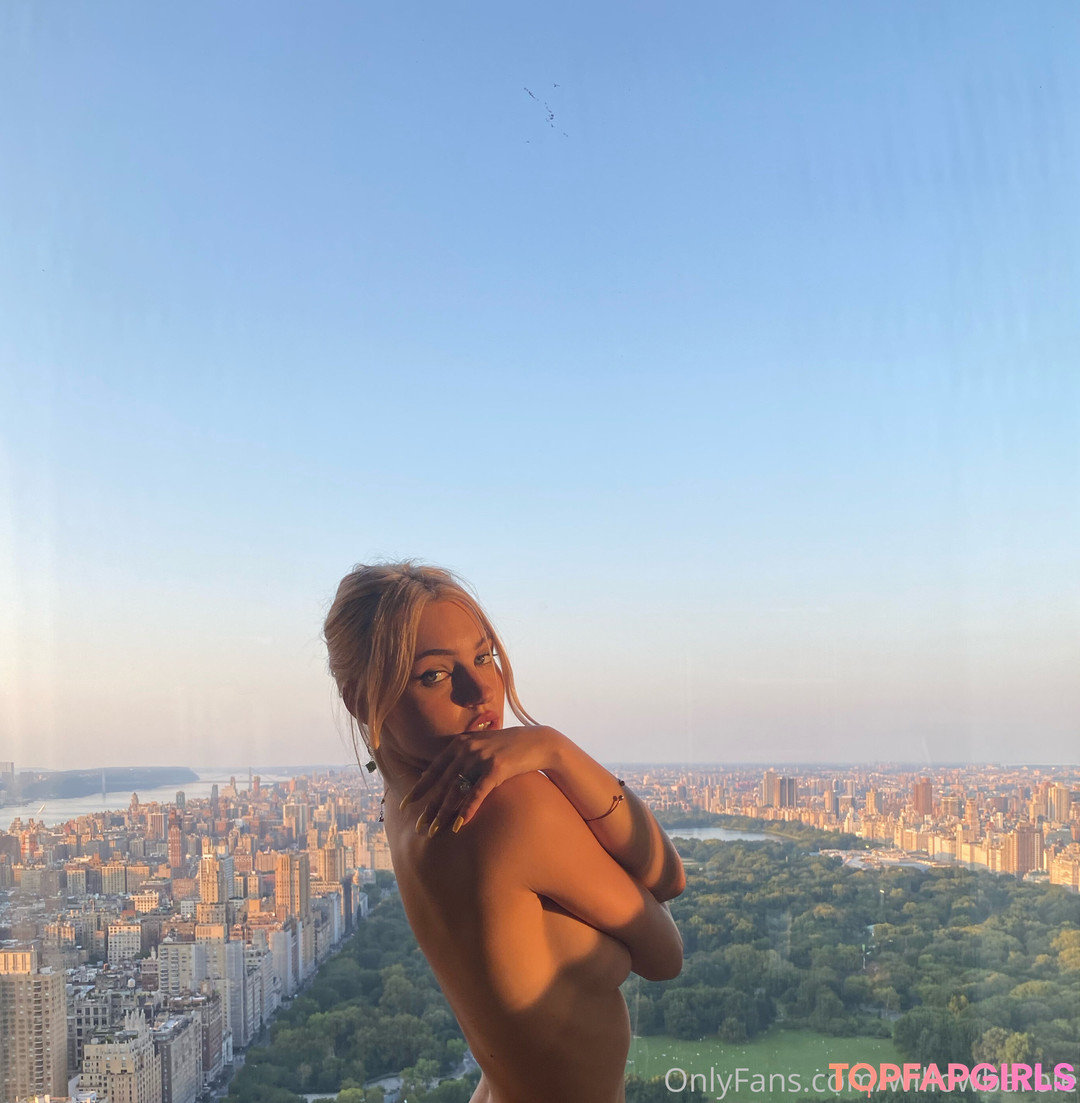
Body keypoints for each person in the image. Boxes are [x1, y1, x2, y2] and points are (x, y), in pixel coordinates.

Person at [324, 562, 685, 1103]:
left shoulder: (403, 806)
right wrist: (553, 748)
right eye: (434, 675)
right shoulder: (509, 807)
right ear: (362, 701)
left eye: (483, 656)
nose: (480, 690)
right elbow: (666, 940)